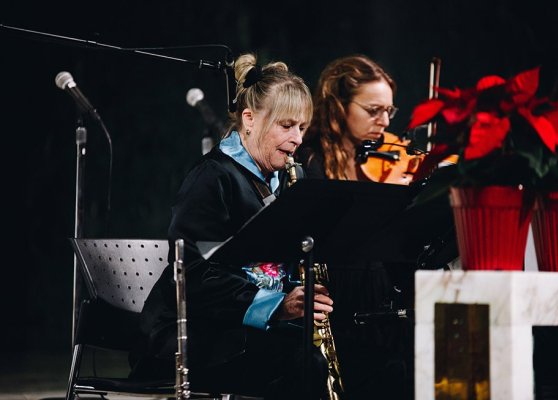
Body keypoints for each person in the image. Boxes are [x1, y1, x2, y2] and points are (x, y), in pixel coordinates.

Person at [129, 53, 331, 400]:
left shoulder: (284, 181)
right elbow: (194, 272)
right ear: (249, 119)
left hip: (240, 330)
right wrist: (276, 305)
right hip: (190, 336)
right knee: (302, 363)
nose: (298, 138)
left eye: (302, 127)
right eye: (286, 125)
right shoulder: (212, 178)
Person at [296, 54, 413, 399]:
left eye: (389, 111)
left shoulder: (377, 159)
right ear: (337, 106)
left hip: (378, 292)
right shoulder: (308, 161)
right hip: (338, 297)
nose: (383, 121)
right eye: (373, 110)